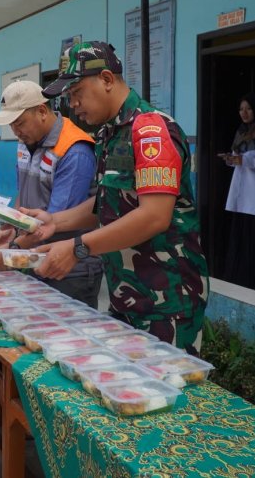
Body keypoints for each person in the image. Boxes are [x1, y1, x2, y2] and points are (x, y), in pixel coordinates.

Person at [27, 41, 209, 354]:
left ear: (108, 80)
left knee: (164, 397)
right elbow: (108, 204)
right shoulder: (110, 134)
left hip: (165, 302)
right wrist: (54, 222)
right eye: (68, 98)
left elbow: (154, 215)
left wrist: (79, 248)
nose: (73, 105)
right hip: (127, 297)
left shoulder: (151, 130)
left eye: (77, 93)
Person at [0, 80, 103, 308]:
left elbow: (52, 223)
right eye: (11, 125)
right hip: (36, 258)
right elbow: (25, 194)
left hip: (70, 269)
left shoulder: (74, 151)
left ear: (41, 111)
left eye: (19, 123)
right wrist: (9, 227)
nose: (16, 131)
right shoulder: (26, 143)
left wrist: (13, 250)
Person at [219, 94, 255, 291]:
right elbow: (239, 159)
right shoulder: (241, 132)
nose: (244, 113)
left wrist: (245, 161)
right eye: (241, 109)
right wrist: (231, 160)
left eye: (248, 108)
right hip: (241, 193)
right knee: (241, 236)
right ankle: (241, 279)